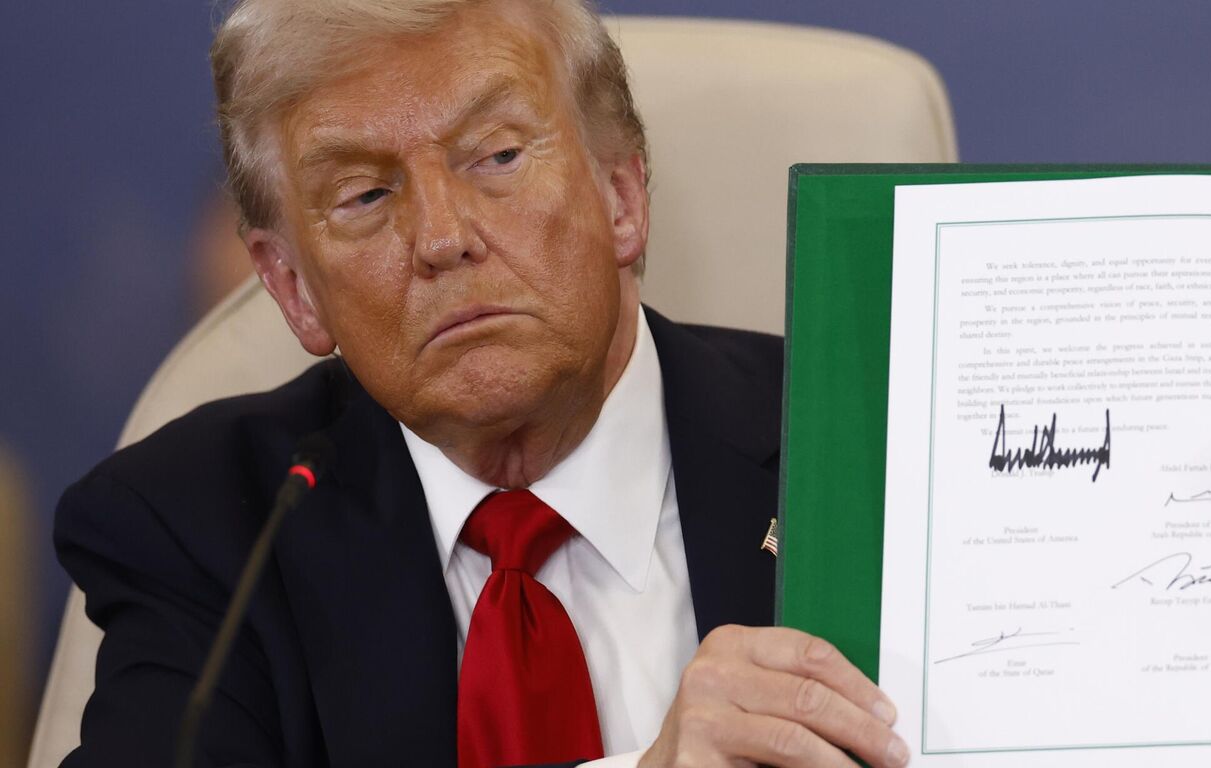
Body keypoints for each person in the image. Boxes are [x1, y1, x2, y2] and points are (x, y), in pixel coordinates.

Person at [53, 1, 905, 766]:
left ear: (621, 195)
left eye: (497, 155)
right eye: (364, 195)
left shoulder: (883, 444)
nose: (440, 237)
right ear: (293, 288)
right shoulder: (206, 529)